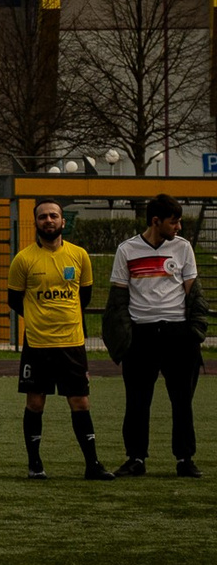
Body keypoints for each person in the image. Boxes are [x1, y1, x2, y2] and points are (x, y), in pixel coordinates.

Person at [7, 198, 107, 481]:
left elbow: (83, 296)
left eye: (53, 216)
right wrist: (40, 318)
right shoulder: (23, 259)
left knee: (80, 402)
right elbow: (15, 300)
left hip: (72, 344)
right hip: (37, 345)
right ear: (36, 222)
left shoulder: (79, 256)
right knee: (35, 404)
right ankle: (35, 464)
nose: (48, 221)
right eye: (42, 217)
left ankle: (93, 465)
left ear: (63, 221)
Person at [107, 193, 203, 478]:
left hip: (177, 334)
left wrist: (193, 333)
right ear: (155, 221)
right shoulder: (127, 250)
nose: (179, 227)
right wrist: (123, 337)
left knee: (182, 400)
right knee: (137, 400)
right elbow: (118, 299)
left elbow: (193, 294)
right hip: (141, 334)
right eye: (174, 222)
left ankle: (185, 459)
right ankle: (136, 458)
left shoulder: (183, 248)